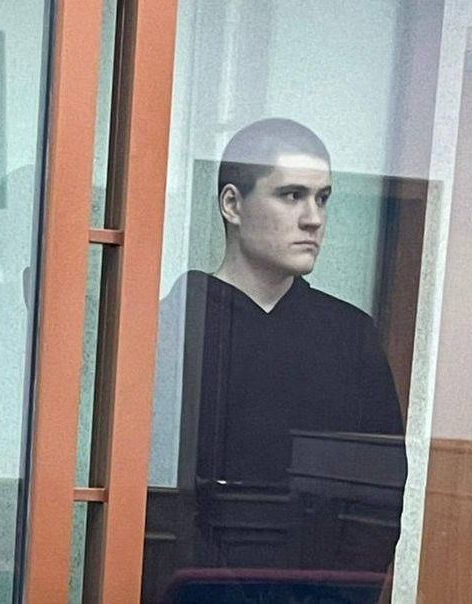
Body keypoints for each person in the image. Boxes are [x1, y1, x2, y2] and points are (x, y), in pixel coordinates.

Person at [151, 119, 406, 594]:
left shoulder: (351, 336)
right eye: (292, 195)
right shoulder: (173, 327)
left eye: (322, 198)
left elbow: (377, 504)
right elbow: (155, 498)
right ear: (232, 205)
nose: (314, 218)